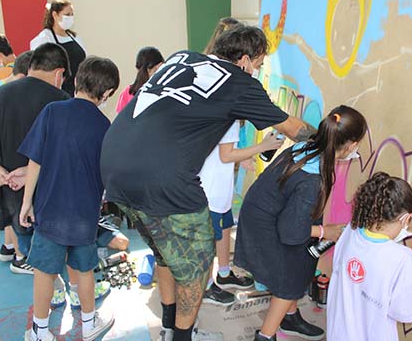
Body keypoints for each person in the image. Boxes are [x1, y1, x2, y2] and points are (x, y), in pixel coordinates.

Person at [100, 25, 315, 341]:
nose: (257, 71)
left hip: (114, 169)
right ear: (243, 60)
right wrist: (327, 135)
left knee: (166, 254)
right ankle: (183, 338)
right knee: (197, 271)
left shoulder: (183, 57)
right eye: (258, 64)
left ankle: (170, 329)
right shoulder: (240, 82)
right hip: (163, 180)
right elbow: (293, 128)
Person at [234, 106, 367, 341]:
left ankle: (290, 316)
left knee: (303, 260)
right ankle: (265, 336)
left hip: (268, 213)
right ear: (352, 145)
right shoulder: (311, 181)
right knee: (291, 279)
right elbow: (291, 232)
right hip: (266, 224)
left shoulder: (311, 146)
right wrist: (327, 231)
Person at [19, 56, 120, 341]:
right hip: (84, 216)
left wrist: (27, 202)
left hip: (49, 210)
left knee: (45, 271)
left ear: (75, 80)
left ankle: (40, 331)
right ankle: (89, 323)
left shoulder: (52, 111)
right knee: (84, 269)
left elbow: (35, 160)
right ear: (108, 93)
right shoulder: (104, 126)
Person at [0, 43, 71, 274]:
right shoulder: (61, 101)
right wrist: (32, 172)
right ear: (59, 73)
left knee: (33, 258)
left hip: (14, 202)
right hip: (51, 201)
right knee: (56, 262)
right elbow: (68, 153)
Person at [327, 172, 412, 341]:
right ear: (405, 218)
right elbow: (404, 313)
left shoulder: (350, 232)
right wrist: (411, 279)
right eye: (411, 221)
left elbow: (348, 272)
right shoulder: (401, 258)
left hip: (338, 333)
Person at [200, 123, 285, 306]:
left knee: (224, 228)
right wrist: (262, 147)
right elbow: (226, 155)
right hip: (210, 191)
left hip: (220, 188)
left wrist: (242, 157)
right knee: (207, 240)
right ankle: (205, 287)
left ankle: (224, 273)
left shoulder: (227, 117)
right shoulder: (229, 119)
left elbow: (223, 148)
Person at [30, 0, 86, 96]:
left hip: (79, 92)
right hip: (57, 93)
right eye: (67, 15)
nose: (70, 18)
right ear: (55, 15)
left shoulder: (75, 37)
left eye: (72, 15)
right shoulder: (44, 39)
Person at [116, 46, 164, 113]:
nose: (159, 74)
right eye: (155, 70)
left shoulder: (167, 92)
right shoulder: (127, 93)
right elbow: (120, 121)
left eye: (162, 69)